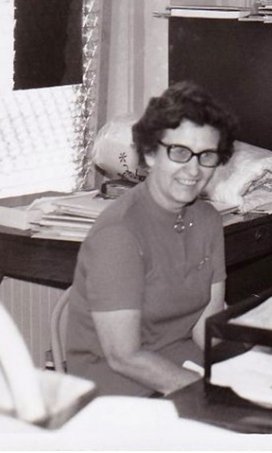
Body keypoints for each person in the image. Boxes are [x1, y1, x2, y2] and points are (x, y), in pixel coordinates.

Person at [65, 81, 238, 396]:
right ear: (150, 152)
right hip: (116, 388)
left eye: (207, 155)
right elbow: (123, 356)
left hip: (180, 365)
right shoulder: (119, 234)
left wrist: (251, 369)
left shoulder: (208, 221)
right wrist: (213, 396)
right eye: (180, 152)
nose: (194, 170)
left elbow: (206, 327)